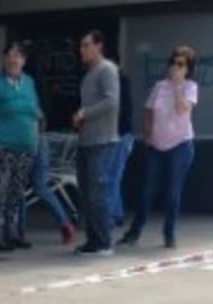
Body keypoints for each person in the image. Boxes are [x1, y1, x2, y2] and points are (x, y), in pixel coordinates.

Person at [118, 45, 198, 249]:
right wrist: (147, 133)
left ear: (188, 68)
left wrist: (178, 85)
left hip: (180, 144)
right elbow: (148, 111)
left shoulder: (190, 87)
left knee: (173, 190)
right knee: (146, 190)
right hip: (156, 144)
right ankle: (134, 232)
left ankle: (169, 233)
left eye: (180, 64)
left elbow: (182, 109)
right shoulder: (159, 86)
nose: (175, 67)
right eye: (173, 63)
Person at [0, 42, 43, 251]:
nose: (12, 60)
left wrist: (35, 142)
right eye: (9, 56)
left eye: (17, 56)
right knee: (0, 191)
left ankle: (13, 233)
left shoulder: (29, 83)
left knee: (17, 193)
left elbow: (34, 114)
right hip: (3, 148)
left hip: (26, 148)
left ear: (24, 61)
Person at [72, 30, 120, 256]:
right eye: (81, 46)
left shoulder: (107, 69)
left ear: (98, 47)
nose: (82, 50)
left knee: (97, 192)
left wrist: (85, 113)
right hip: (86, 140)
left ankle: (103, 241)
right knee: (86, 192)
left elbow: (112, 101)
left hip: (102, 141)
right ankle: (92, 240)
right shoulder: (89, 73)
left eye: (86, 45)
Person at [106, 56, 135, 228]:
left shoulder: (119, 81)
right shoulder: (119, 80)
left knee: (112, 176)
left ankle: (110, 214)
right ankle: (117, 212)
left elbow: (121, 109)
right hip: (120, 134)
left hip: (120, 134)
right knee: (114, 175)